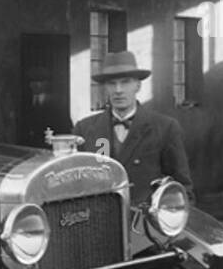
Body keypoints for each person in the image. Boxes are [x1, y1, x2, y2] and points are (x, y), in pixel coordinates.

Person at [72, 50, 193, 204]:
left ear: (138, 85)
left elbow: (182, 188)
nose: (118, 90)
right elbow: (75, 186)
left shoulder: (165, 128)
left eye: (125, 82)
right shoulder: (85, 129)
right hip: (99, 219)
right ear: (105, 88)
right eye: (111, 83)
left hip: (144, 222)